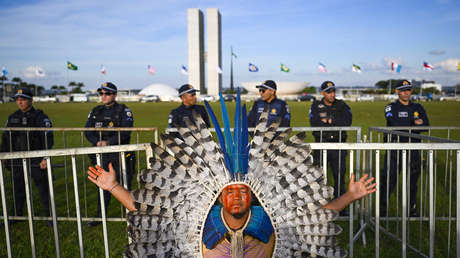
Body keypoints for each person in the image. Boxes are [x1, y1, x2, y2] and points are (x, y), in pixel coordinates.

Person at [87, 165, 375, 257]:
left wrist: (349, 196)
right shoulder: (202, 220)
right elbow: (148, 211)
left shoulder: (267, 220)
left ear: (252, 196)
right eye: (230, 192)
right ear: (220, 197)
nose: (236, 197)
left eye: (242, 192)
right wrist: (113, 187)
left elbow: (316, 216)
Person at [84, 82, 134, 226]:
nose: (103, 96)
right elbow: (87, 130)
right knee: (102, 185)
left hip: (119, 155)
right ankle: (100, 216)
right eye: (101, 93)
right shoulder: (96, 111)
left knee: (125, 185)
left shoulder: (124, 110)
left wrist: (108, 143)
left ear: (114, 95)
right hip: (101, 155)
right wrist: (97, 142)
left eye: (107, 93)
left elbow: (125, 131)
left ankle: (132, 217)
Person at [1, 88, 54, 224]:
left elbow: (48, 138)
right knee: (18, 189)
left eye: (23, 99)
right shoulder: (12, 117)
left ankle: (50, 216)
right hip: (17, 159)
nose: (20, 102)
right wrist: (4, 156)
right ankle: (17, 216)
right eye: (18, 99)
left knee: (43, 189)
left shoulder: (40, 117)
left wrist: (45, 157)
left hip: (36, 158)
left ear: (31, 100)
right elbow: (6, 139)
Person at [380, 80, 430, 217]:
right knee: (389, 181)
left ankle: (411, 210)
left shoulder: (418, 107)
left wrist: (416, 124)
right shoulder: (391, 107)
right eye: (403, 90)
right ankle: (382, 210)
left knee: (412, 182)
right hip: (395, 149)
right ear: (397, 92)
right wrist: (414, 123)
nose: (406, 93)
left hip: (413, 149)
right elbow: (393, 122)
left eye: (408, 90)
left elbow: (426, 125)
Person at [309, 81, 352, 201]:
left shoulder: (342, 105)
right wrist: (334, 121)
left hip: (338, 145)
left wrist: (329, 121)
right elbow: (314, 123)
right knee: (317, 178)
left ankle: (341, 208)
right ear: (322, 93)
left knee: (339, 177)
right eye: (328, 92)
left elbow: (347, 122)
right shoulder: (315, 105)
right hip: (321, 144)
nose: (332, 94)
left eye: (333, 91)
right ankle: (319, 206)